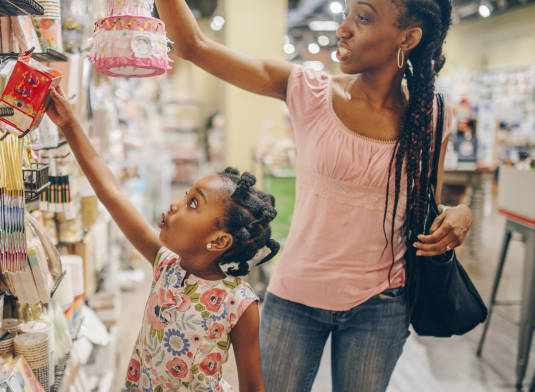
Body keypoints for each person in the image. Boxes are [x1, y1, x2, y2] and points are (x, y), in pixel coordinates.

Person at [155, 0, 473, 390]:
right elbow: (194, 46)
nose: (344, 28)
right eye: (348, 14)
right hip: (296, 299)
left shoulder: (432, 117)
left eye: (363, 18)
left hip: (381, 305)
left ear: (407, 37)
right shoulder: (309, 90)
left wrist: (460, 213)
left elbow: (427, 207)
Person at [46, 86, 281, 392]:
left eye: (193, 203)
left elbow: (252, 386)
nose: (175, 205)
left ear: (219, 241)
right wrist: (69, 125)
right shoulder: (166, 265)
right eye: (186, 196)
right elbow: (113, 195)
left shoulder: (239, 304)